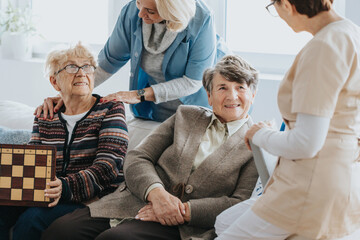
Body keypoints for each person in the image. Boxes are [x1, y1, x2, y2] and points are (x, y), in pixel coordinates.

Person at [41, 55, 259, 240]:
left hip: (184, 224)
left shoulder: (257, 142)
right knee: (59, 231)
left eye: (240, 87)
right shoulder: (186, 115)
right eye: (222, 87)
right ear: (209, 96)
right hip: (132, 200)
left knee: (115, 239)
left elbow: (239, 203)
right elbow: (138, 157)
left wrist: (181, 211)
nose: (232, 96)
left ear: (253, 95)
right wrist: (157, 195)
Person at [215, 0, 360, 239]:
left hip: (311, 186)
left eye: (273, 5)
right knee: (225, 222)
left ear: (286, 4)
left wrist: (259, 134)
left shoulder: (323, 47)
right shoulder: (351, 33)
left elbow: (306, 143)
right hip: (343, 178)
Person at [0, 43, 128, 240]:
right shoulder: (45, 115)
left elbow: (108, 166)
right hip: (47, 193)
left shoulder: (110, 110)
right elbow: (33, 159)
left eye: (87, 67)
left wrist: (65, 186)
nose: (81, 73)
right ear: (55, 82)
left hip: (91, 199)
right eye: (71, 67)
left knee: (32, 220)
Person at [36, 0, 229, 123]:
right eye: (138, 3)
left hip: (199, 109)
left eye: (150, 11)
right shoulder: (132, 13)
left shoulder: (201, 19)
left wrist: (138, 95)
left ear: (171, 11)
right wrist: (69, 94)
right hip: (155, 111)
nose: (139, 14)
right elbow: (107, 62)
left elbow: (193, 81)